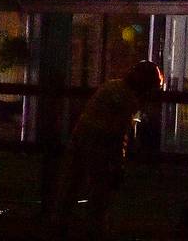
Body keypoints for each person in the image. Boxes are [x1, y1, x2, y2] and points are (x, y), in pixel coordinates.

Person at [56, 60, 164, 239]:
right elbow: (118, 132)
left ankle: (61, 225)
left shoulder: (112, 86)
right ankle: (94, 230)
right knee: (99, 192)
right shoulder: (127, 99)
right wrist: (119, 162)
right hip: (99, 143)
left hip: (81, 137)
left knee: (72, 184)